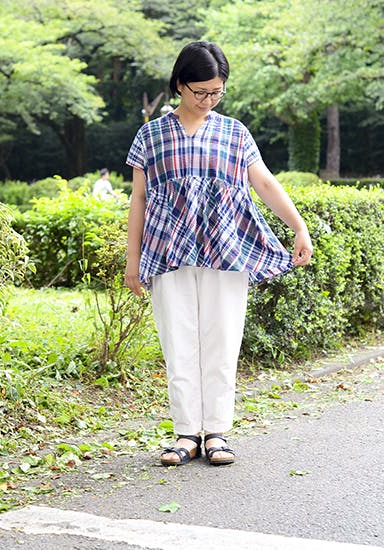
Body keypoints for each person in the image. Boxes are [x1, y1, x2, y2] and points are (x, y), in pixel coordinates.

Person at [124, 41, 313, 467]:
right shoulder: (151, 135)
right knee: (178, 341)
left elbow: (264, 183)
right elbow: (138, 199)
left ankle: (217, 433)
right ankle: (186, 433)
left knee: (222, 340)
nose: (208, 100)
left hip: (225, 250)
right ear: (179, 85)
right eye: (200, 91)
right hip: (166, 251)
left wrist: (298, 227)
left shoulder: (235, 133)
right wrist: (132, 260)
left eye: (216, 92)